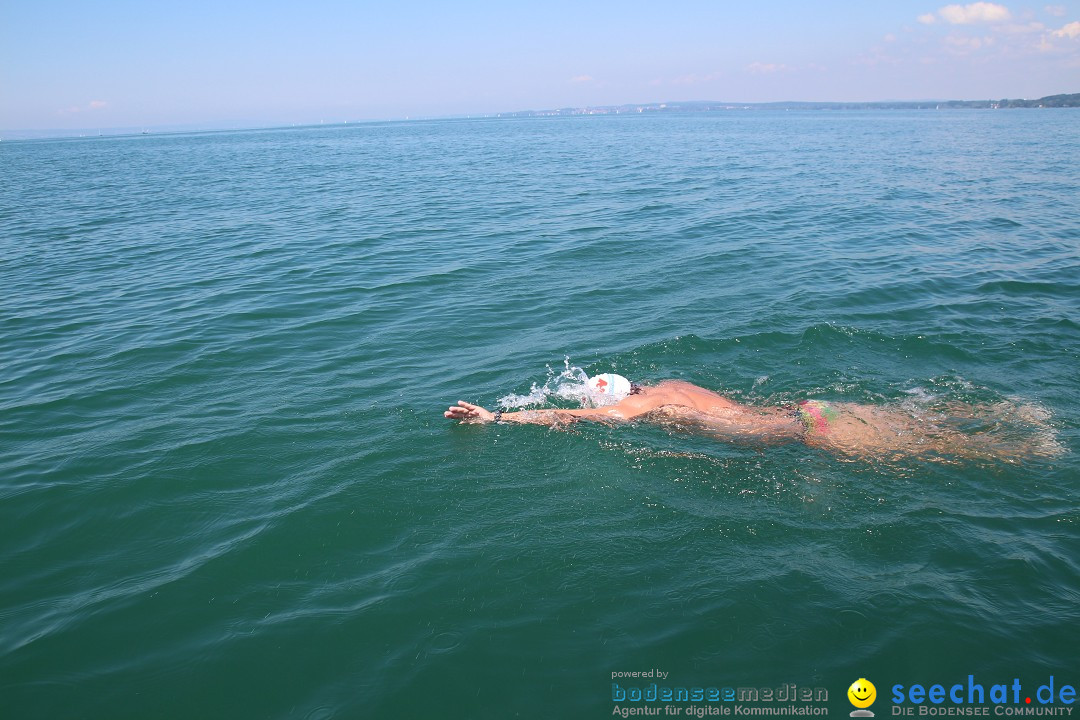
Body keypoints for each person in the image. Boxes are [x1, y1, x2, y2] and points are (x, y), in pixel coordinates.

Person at [444, 378, 1061, 462]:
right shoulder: (675, 385)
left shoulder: (640, 406)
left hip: (804, 432)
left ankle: (1030, 450)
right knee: (923, 420)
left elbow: (573, 416)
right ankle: (1010, 414)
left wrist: (497, 419)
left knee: (937, 453)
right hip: (813, 408)